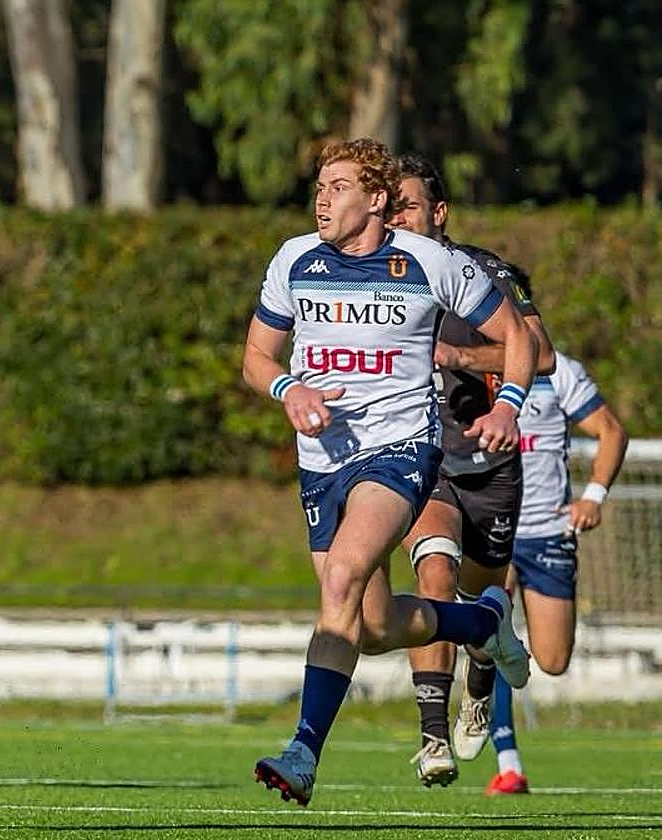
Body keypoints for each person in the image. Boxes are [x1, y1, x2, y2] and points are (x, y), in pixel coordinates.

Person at [243, 137, 535, 807]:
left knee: (340, 580)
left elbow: (517, 337)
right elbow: (256, 356)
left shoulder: (430, 262)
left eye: (339, 186)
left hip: (400, 451)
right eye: (319, 185)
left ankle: (303, 753)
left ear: (376, 200)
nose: (322, 197)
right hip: (321, 463)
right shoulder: (294, 260)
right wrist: (288, 389)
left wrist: (510, 406)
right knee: (368, 626)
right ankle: (479, 627)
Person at [389, 153, 556, 787]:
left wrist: (462, 352)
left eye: (406, 205)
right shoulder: (381, 279)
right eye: (390, 206)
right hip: (419, 458)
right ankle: (432, 734)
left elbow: (540, 352)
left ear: (439, 212)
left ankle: (480, 675)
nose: (395, 217)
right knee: (434, 571)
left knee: (483, 593)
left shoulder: (486, 273)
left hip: (489, 461)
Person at [482, 343, 628, 794]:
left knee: (553, 659)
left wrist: (594, 496)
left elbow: (610, 431)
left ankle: (499, 652)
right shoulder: (466, 369)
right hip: (491, 530)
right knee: (490, 632)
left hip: (548, 533)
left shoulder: (559, 370)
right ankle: (508, 763)